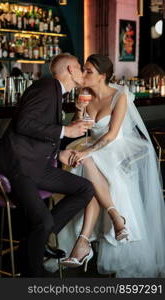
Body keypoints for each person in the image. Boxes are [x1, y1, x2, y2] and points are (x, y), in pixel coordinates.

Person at [51, 54, 165, 278]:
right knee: (87, 170)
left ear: (103, 76)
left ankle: (84, 241)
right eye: (83, 70)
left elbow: (112, 135)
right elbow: (81, 129)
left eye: (88, 71)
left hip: (114, 147)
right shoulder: (84, 94)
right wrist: (80, 111)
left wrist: (86, 152)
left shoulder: (120, 96)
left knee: (87, 166)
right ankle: (114, 219)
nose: (83, 75)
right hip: (91, 146)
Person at [0, 53, 95, 277]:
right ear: (69, 70)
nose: (82, 71)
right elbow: (24, 124)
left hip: (36, 165)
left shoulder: (57, 92)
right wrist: (66, 131)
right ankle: (33, 277)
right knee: (42, 220)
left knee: (85, 188)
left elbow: (37, 130)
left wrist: (60, 152)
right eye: (79, 67)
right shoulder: (47, 86)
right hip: (18, 165)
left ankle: (39, 238)